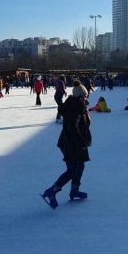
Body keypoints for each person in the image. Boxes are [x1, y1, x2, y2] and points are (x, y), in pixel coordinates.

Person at [41, 81, 92, 209]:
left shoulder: (77, 106)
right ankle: (51, 191)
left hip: (72, 142)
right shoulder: (75, 109)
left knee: (79, 165)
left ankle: (74, 190)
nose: (86, 98)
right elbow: (73, 128)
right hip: (70, 143)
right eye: (85, 96)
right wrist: (81, 143)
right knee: (72, 169)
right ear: (80, 96)